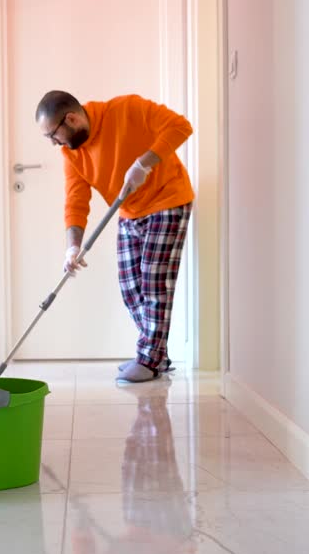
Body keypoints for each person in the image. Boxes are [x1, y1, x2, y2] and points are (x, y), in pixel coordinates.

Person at [35, 90, 194, 383]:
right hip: (129, 210)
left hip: (168, 198)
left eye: (53, 136)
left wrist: (145, 162)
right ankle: (156, 353)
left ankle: (149, 359)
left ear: (71, 118)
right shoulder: (72, 153)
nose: (54, 143)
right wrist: (72, 248)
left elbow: (181, 126)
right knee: (131, 288)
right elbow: (76, 200)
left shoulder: (126, 109)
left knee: (154, 282)